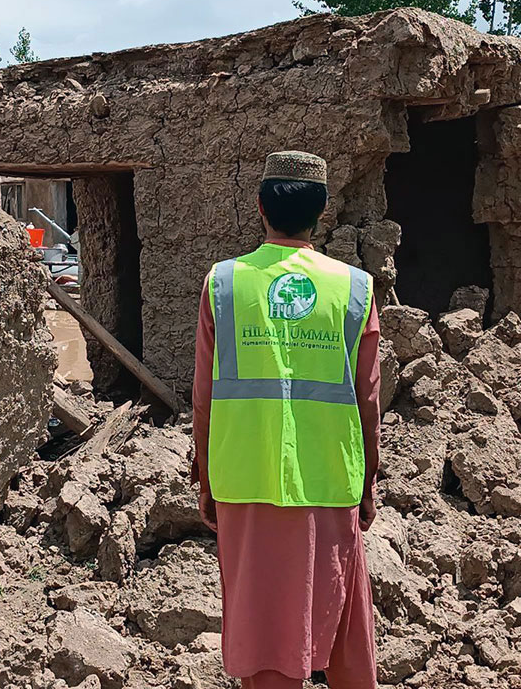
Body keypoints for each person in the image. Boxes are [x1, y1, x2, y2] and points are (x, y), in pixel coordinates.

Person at [191, 150, 381, 689]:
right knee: (344, 614)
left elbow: (204, 397)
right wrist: (368, 481)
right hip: (330, 477)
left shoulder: (224, 284)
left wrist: (206, 477)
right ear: (322, 211)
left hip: (245, 477)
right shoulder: (354, 288)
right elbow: (368, 400)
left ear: (260, 207)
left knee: (265, 625)